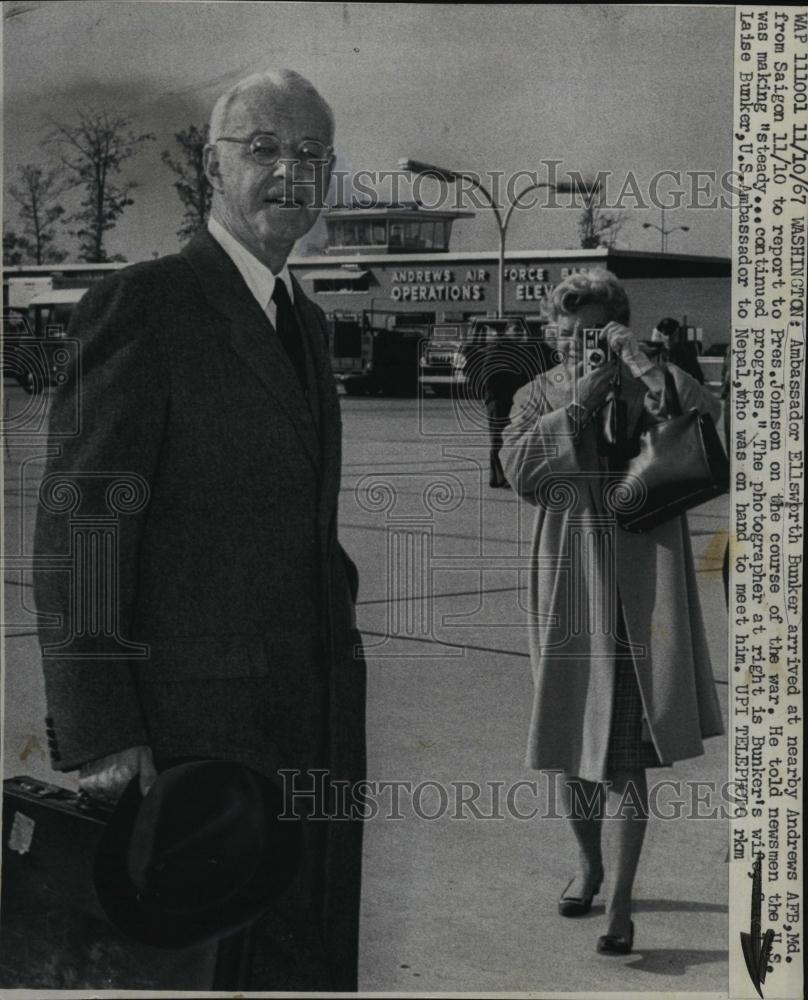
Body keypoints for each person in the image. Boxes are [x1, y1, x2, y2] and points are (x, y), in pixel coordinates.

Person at [32, 69, 365, 991]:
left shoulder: (306, 321)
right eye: (265, 150)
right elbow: (86, 526)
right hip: (194, 739)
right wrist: (102, 728)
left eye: (313, 156)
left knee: (299, 962)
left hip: (312, 725)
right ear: (212, 167)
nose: (290, 173)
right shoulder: (150, 304)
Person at [500, 270, 724, 954]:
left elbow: (702, 420)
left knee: (625, 753)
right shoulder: (534, 394)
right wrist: (575, 410)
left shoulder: (652, 378)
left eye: (595, 332)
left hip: (641, 579)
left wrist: (640, 360)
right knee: (572, 744)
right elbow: (517, 470)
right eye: (568, 333)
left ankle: (620, 901)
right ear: (549, 333)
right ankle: (588, 864)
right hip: (570, 578)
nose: (579, 345)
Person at [651, 316, 705, 383]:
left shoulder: (687, 356)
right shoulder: (657, 357)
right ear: (660, 334)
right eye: (665, 333)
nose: (668, 337)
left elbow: (699, 380)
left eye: (671, 333)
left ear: (676, 333)